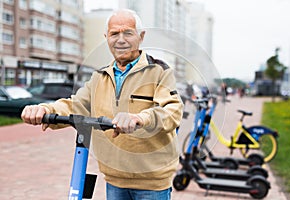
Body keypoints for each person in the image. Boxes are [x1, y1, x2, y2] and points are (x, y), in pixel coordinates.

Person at [21, 9, 183, 200]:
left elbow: (171, 111)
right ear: (106, 37)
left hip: (151, 183)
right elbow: (76, 105)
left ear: (141, 36)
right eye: (114, 33)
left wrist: (140, 118)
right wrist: (46, 109)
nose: (120, 40)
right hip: (114, 179)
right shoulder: (100, 77)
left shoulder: (159, 71)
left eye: (128, 32)